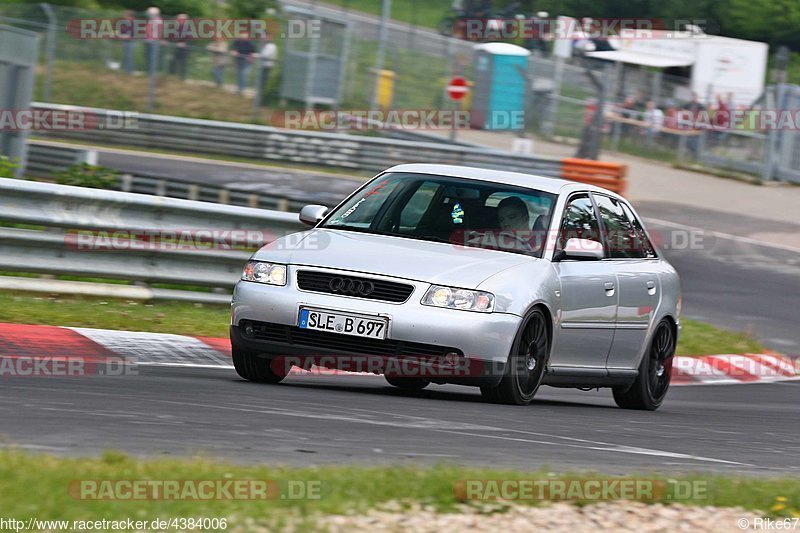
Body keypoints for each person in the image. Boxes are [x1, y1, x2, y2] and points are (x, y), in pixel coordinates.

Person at [168, 13, 191, 80]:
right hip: (176, 48)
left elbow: (189, 38)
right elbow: (171, 37)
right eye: (178, 19)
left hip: (185, 49)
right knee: (173, 62)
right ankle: (172, 76)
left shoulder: (188, 28)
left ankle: (182, 78)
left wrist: (184, 43)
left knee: (183, 64)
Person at [256, 33, 278, 102]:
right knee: (261, 81)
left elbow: (265, 55)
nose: (264, 39)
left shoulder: (271, 46)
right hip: (264, 65)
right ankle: (259, 97)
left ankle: (260, 98)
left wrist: (256, 55)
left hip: (267, 66)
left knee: (262, 82)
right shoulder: (267, 45)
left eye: (266, 37)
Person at [144, 6, 163, 75]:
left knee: (152, 58)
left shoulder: (157, 21)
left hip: (153, 42)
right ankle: (149, 73)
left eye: (149, 13)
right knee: (148, 57)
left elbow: (157, 33)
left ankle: (151, 74)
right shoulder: (151, 20)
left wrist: (153, 39)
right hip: (149, 41)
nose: (147, 14)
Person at [119, 10, 136, 74]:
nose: (124, 16)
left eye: (125, 15)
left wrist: (125, 36)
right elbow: (122, 31)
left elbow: (133, 33)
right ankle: (125, 70)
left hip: (130, 41)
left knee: (130, 56)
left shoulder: (133, 23)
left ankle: (129, 71)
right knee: (125, 56)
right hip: (125, 41)